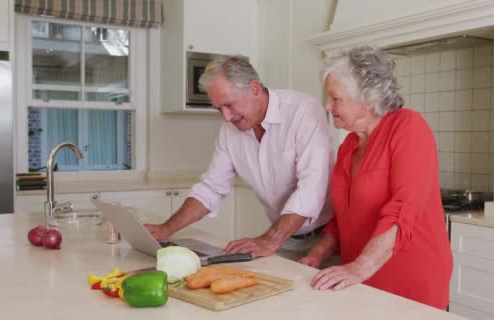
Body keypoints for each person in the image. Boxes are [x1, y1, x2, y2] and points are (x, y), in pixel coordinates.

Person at [298, 45, 452, 309]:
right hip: (361, 280)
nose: (327, 105)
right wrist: (316, 254)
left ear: (368, 99)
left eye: (335, 98)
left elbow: (403, 211)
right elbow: (343, 219)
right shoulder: (349, 146)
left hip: (409, 282)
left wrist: (359, 267)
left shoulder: (408, 127)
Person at [145, 55, 333, 260]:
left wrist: (269, 240)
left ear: (254, 88)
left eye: (230, 105)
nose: (226, 117)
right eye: (219, 109)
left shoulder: (303, 110)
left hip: (328, 237)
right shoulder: (229, 131)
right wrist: (167, 228)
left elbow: (312, 187)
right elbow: (211, 188)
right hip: (285, 236)